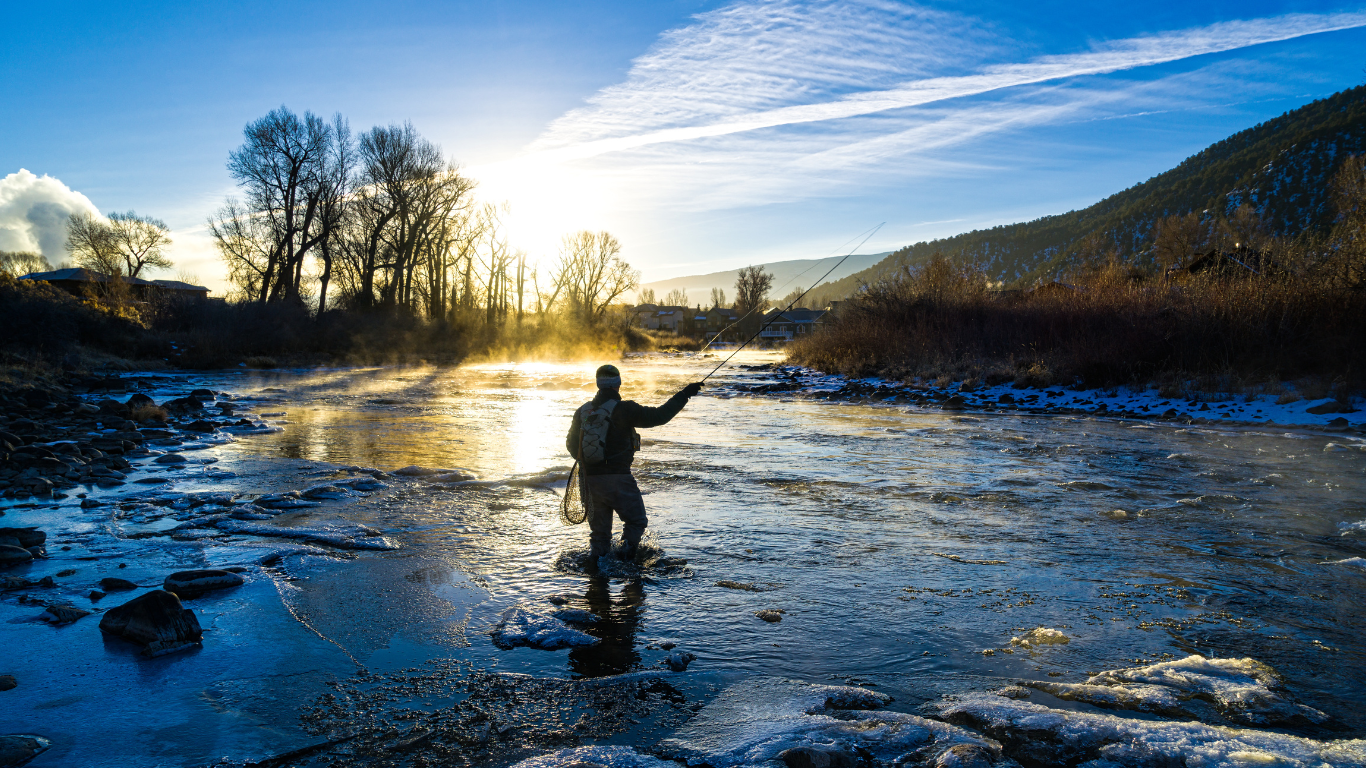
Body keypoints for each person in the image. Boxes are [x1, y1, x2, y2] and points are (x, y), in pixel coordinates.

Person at [566, 364, 702, 561]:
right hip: (619, 479)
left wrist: (593, 463)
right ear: (617, 384)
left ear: (598, 384)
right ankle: (626, 560)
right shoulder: (624, 409)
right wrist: (684, 394)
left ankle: (597, 576)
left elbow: (571, 446)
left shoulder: (582, 411)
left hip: (588, 479)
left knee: (599, 535)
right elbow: (659, 416)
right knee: (636, 522)